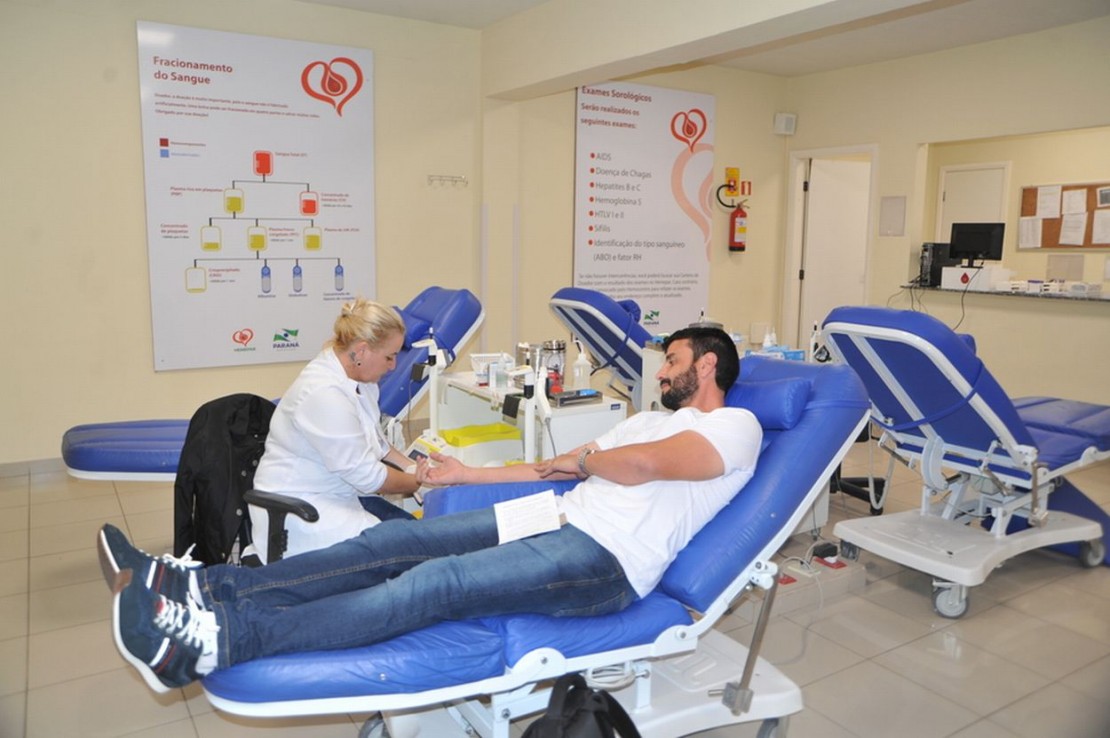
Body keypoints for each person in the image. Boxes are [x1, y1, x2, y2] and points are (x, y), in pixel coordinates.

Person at [97, 326, 762, 694]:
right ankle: (203, 587)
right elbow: (552, 467)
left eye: (673, 361)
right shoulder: (646, 421)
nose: (660, 371)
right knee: (387, 547)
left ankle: (215, 639)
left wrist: (590, 460)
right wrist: (465, 473)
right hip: (555, 517)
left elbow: (635, 467)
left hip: (605, 559)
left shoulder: (737, 427)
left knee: (430, 584)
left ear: (707, 366)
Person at [249, 297, 420, 562]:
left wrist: (412, 467)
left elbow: (377, 443)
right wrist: (421, 482)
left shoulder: (359, 379)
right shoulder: (324, 392)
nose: (393, 366)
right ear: (361, 351)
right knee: (403, 552)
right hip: (300, 509)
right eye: (389, 356)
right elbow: (369, 477)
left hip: (335, 494)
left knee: (416, 536)